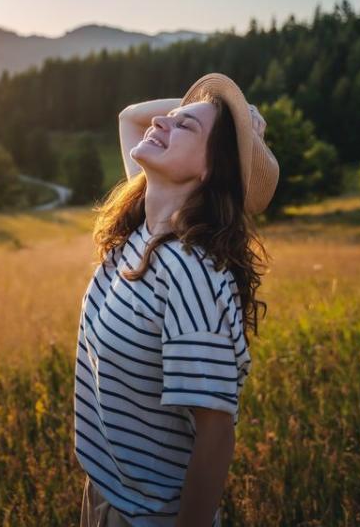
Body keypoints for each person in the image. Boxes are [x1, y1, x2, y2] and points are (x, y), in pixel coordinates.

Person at [74, 73, 280, 527]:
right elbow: (131, 117)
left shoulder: (191, 272)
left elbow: (216, 433)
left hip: (149, 518)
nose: (162, 122)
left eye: (184, 127)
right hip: (108, 494)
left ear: (210, 171)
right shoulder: (147, 225)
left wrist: (235, 128)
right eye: (170, 118)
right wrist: (220, 117)